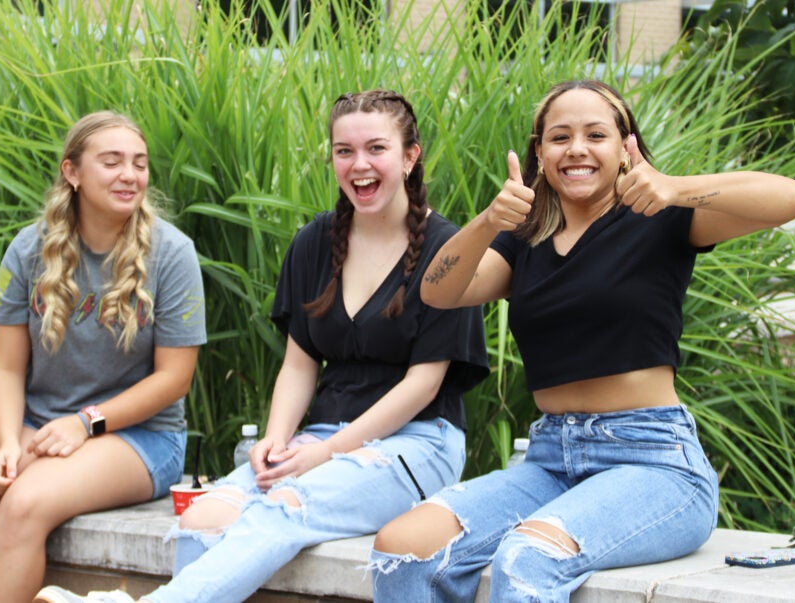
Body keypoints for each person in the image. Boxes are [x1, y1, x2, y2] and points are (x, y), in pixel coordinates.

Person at [33, 89, 490, 603]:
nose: (359, 164)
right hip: (320, 437)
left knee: (290, 502)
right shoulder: (315, 243)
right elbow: (299, 365)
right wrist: (275, 441)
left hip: (417, 443)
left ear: (410, 156)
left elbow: (423, 386)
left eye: (376, 149)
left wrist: (325, 453)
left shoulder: (447, 251)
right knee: (203, 517)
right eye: (344, 151)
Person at [369, 79, 795, 602]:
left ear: (625, 148)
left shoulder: (660, 219)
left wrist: (675, 187)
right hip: (550, 458)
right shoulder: (524, 241)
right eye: (560, 137)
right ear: (540, 152)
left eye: (595, 134)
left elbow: (791, 198)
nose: (576, 148)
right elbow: (439, 292)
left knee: (528, 558)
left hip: (655, 464)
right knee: (401, 550)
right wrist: (490, 220)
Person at [0, 110, 207, 603]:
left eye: (139, 163)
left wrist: (85, 422)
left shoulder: (172, 254)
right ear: (72, 172)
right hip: (37, 423)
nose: (129, 175)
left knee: (26, 502)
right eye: (111, 161)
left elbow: (173, 379)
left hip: (140, 438)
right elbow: (6, 367)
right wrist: (9, 441)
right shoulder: (30, 249)